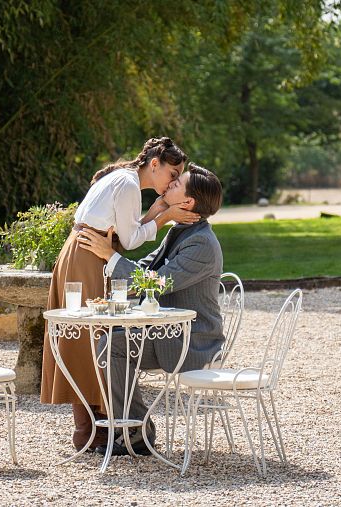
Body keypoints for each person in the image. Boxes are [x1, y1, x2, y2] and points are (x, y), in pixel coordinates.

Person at [41, 137, 199, 451]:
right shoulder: (127, 185)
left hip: (85, 252)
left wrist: (155, 211)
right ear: (155, 164)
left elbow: (127, 229)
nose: (172, 183)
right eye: (173, 173)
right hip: (91, 255)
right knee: (91, 338)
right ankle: (93, 429)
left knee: (89, 337)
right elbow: (128, 241)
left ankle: (93, 429)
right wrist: (166, 217)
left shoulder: (123, 178)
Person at [76, 163, 226, 455]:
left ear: (188, 202)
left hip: (192, 343)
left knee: (112, 345)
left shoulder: (202, 244)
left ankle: (135, 433)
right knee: (111, 341)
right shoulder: (180, 232)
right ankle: (135, 431)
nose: (169, 184)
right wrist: (112, 259)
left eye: (176, 183)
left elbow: (156, 283)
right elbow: (146, 267)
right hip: (167, 334)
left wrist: (109, 256)